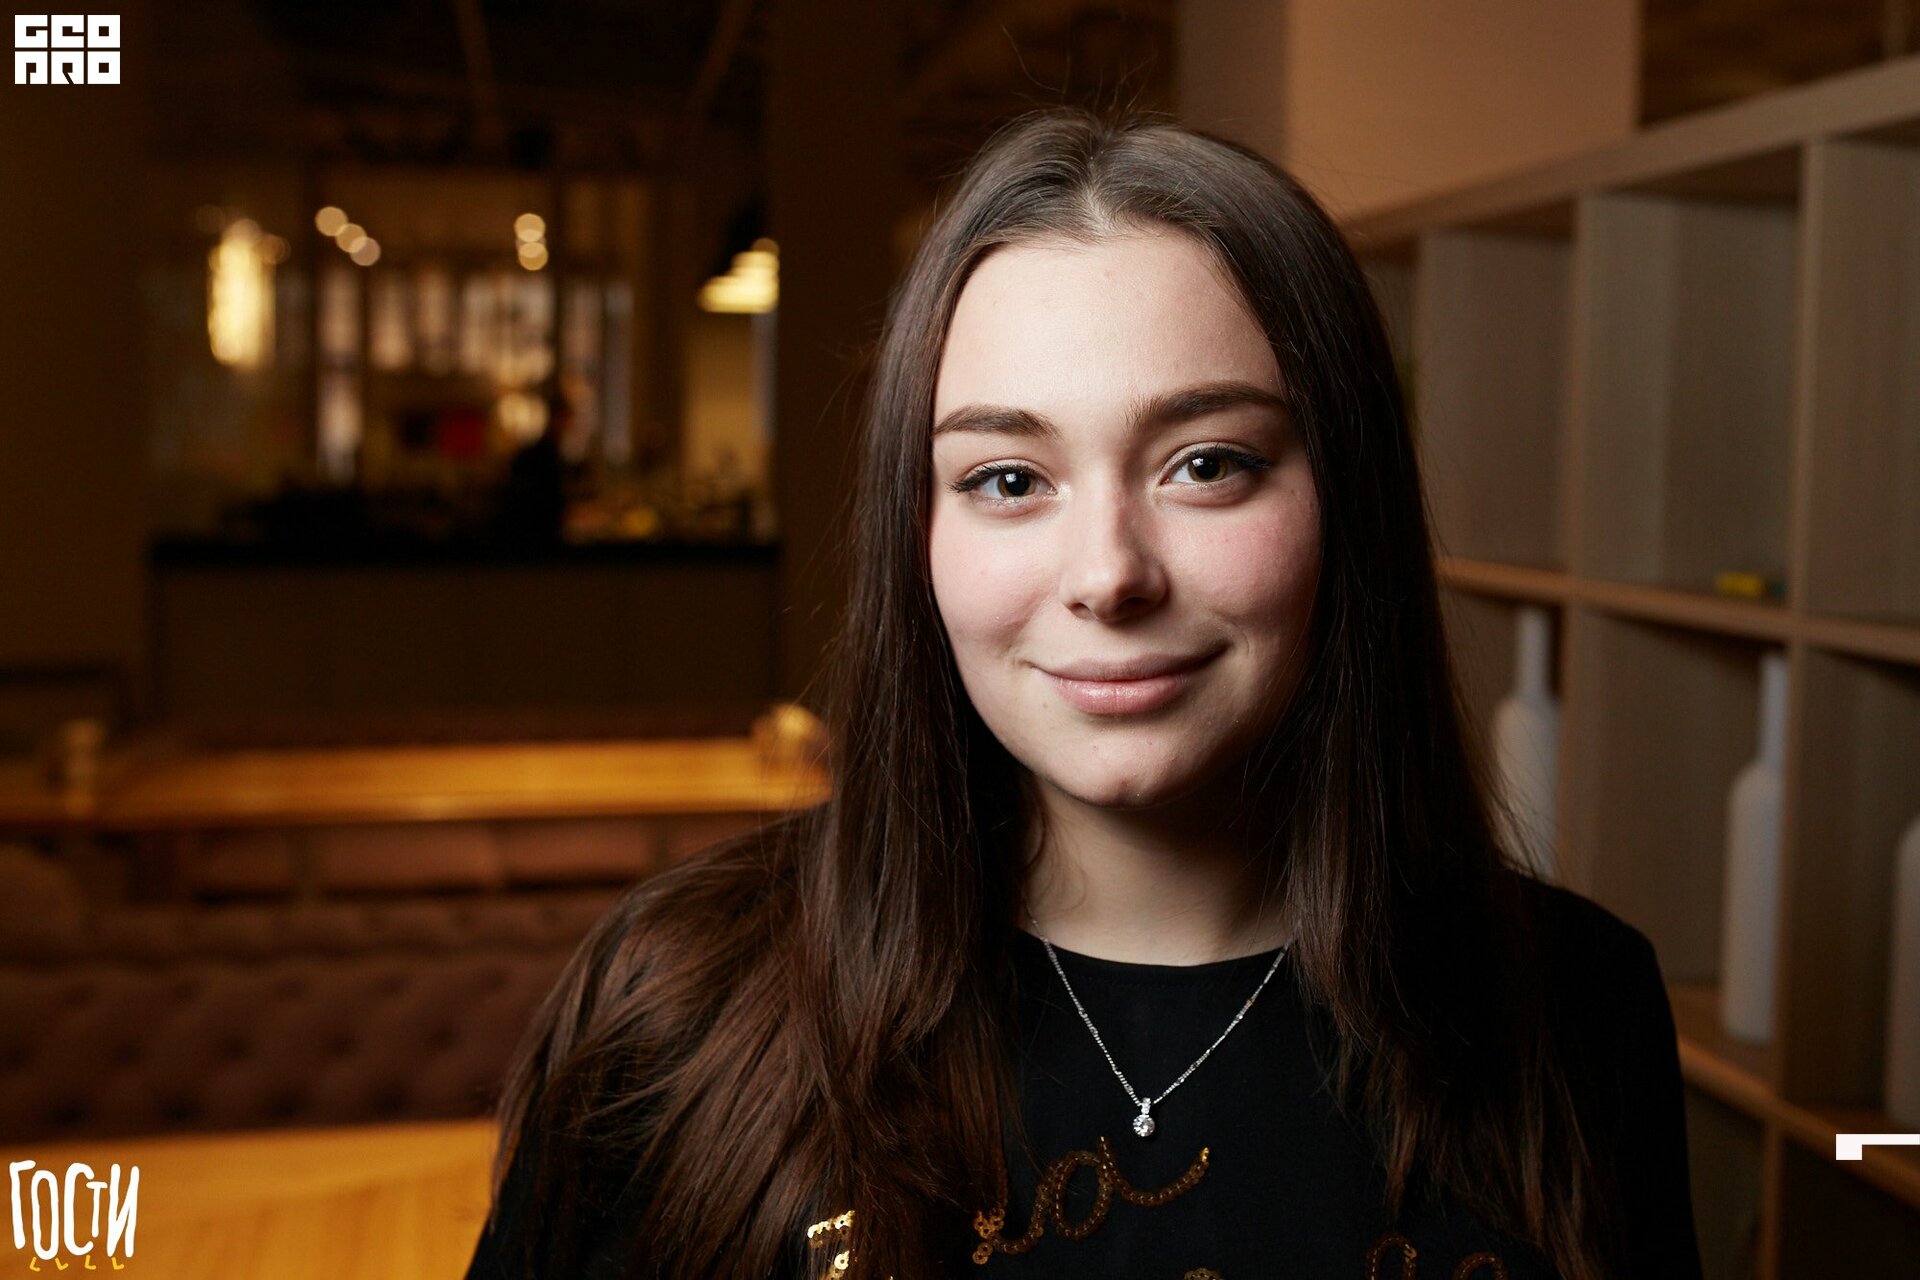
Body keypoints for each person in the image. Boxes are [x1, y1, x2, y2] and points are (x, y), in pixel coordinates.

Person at [465, 107, 1704, 1280]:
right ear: (918, 531)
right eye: (1009, 478)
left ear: (1349, 501)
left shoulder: (1575, 1005)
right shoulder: (676, 1005)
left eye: (1207, 463)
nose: (1109, 575)